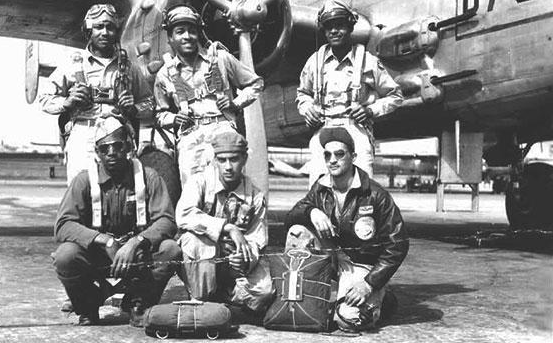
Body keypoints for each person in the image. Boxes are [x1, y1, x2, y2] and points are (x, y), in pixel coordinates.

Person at [52, 115, 181, 327]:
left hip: (136, 255)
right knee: (65, 256)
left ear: (129, 147)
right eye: (105, 149)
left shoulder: (148, 177)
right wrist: (103, 240)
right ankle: (87, 304)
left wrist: (136, 242)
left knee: (170, 250)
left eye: (117, 146)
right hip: (98, 256)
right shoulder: (84, 180)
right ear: (97, 152)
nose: (111, 153)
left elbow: (166, 220)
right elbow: (63, 224)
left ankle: (139, 302)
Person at [284, 127, 408, 332]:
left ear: (353, 156)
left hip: (361, 264)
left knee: (348, 320)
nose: (332, 160)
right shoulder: (321, 187)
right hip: (332, 258)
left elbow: (398, 244)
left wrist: (369, 284)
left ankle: (382, 297)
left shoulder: (376, 195)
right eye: (327, 155)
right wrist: (312, 211)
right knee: (297, 231)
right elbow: (291, 217)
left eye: (339, 154)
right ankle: (301, 295)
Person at [40, 3, 155, 183]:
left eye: (110, 27)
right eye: (98, 27)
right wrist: (67, 102)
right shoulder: (72, 65)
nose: (104, 32)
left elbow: (149, 102)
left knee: (119, 192)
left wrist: (133, 109)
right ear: (88, 31)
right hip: (83, 131)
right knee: (80, 189)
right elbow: (44, 99)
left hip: (116, 137)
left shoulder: (128, 68)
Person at [297, 0, 403, 186]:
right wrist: (308, 111)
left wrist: (370, 111)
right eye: (329, 27)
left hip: (356, 129)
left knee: (361, 190)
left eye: (340, 26)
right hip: (323, 128)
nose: (334, 31)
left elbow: (395, 96)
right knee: (319, 190)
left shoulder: (368, 61)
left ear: (350, 27)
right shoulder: (314, 62)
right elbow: (303, 94)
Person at [154, 4, 264, 184]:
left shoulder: (221, 59)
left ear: (199, 34)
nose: (187, 36)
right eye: (180, 31)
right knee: (192, 190)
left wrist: (235, 104)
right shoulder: (164, 74)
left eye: (192, 31)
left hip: (223, 132)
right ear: (170, 38)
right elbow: (159, 114)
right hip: (191, 137)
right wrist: (174, 119)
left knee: (227, 188)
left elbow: (256, 83)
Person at [175, 130, 272, 314]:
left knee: (264, 291)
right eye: (222, 160)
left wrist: (244, 260)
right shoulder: (199, 181)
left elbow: (258, 238)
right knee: (192, 241)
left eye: (234, 159)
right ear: (214, 161)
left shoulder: (255, 195)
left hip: (233, 264)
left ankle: (223, 298)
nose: (228, 167)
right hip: (204, 257)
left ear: (244, 159)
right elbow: (183, 214)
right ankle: (202, 296)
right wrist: (227, 227)